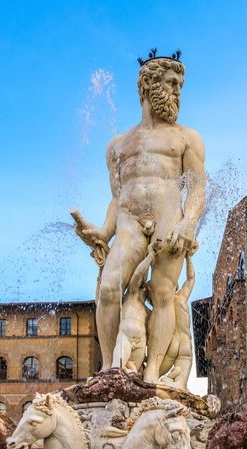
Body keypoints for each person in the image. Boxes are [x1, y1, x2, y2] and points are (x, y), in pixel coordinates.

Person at [74, 52, 206, 382]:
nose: (177, 92)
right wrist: (104, 231)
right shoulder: (118, 145)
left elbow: (198, 188)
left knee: (162, 294)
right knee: (109, 289)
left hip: (169, 217)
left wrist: (188, 222)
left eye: (180, 86)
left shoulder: (186, 137)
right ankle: (109, 370)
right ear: (148, 86)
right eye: (172, 83)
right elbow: (117, 197)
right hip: (130, 221)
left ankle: (151, 375)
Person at [111, 241, 163, 371]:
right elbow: (137, 274)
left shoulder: (148, 311)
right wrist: (150, 255)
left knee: (135, 375)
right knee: (117, 369)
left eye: (148, 289)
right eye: (144, 287)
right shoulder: (132, 295)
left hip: (140, 342)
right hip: (125, 338)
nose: (145, 289)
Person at [159, 240, 198, 388]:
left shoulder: (162, 303)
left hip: (172, 343)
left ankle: (165, 379)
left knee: (153, 375)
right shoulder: (180, 297)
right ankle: (169, 380)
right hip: (185, 342)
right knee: (181, 386)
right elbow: (191, 279)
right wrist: (189, 257)